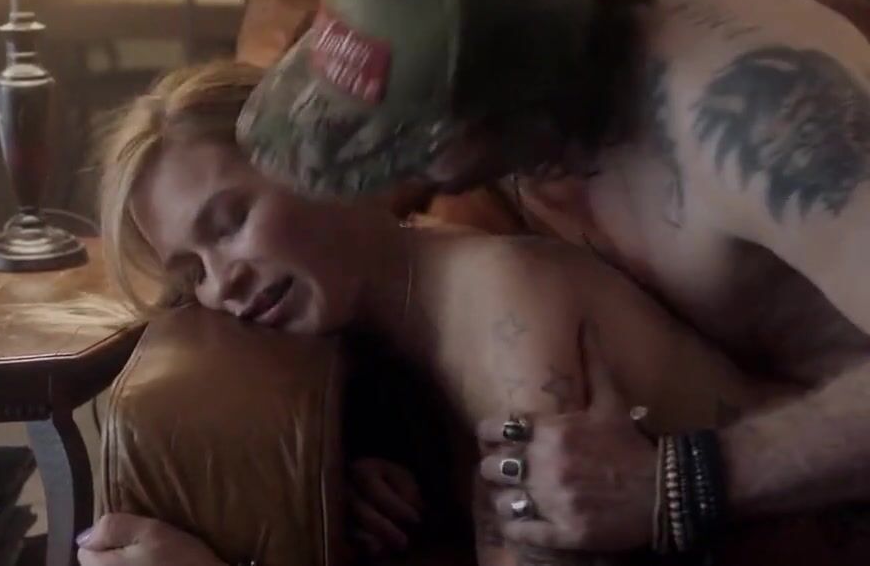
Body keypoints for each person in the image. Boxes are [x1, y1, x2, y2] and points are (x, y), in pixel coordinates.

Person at [235, 0, 870, 558]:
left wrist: (676, 480)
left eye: (410, 143)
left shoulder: (755, 116)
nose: (397, 173)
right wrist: (351, 448)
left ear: (503, 112)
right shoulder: (494, 27)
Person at [74, 61, 794, 566]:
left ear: (318, 162)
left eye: (231, 221)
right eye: (191, 271)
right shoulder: (401, 319)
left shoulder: (508, 316)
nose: (223, 281)